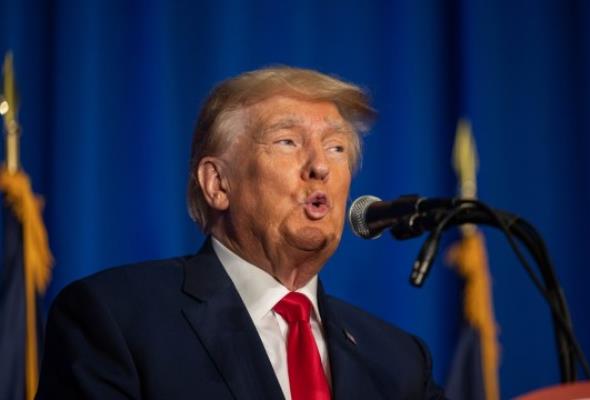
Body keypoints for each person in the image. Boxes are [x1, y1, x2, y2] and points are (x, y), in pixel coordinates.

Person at [36, 66, 446, 399]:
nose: (320, 167)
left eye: (336, 148)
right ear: (217, 183)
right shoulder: (115, 319)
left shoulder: (397, 360)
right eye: (288, 142)